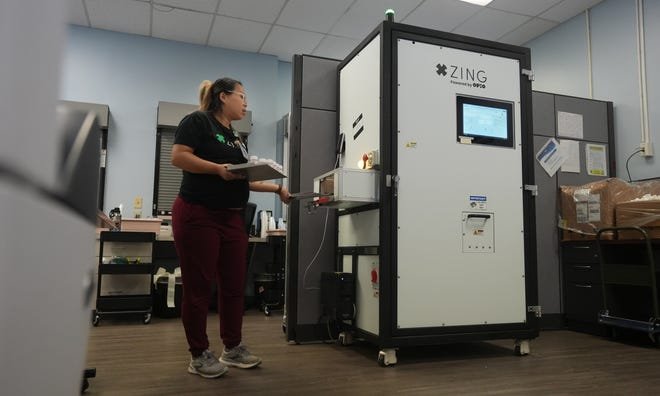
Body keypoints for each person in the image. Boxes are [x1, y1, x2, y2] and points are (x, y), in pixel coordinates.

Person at [171, 77, 290, 379]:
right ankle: (198, 355)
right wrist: (216, 169)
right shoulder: (198, 121)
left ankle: (232, 347)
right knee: (199, 289)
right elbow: (179, 157)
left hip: (231, 219)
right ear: (223, 97)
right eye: (242, 96)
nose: (246, 103)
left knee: (235, 287)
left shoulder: (237, 137)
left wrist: (277, 190)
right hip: (198, 214)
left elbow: (242, 178)